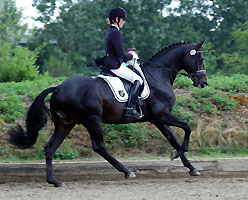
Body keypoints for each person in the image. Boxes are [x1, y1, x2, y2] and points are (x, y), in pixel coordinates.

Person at [103, 7, 143, 119]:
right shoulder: (116, 33)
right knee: (138, 80)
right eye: (123, 19)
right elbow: (120, 54)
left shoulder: (110, 31)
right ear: (117, 19)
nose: (124, 22)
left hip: (110, 62)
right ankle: (131, 108)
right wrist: (132, 56)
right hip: (114, 65)